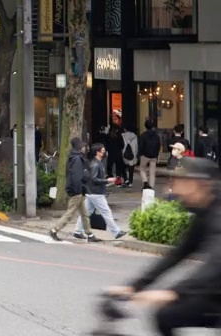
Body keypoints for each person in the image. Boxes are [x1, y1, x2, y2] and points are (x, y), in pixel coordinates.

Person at [107, 157, 221, 335]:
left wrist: (175, 292)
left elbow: (216, 263)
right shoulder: (204, 211)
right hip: (214, 292)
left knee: (168, 314)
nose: (175, 189)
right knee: (165, 315)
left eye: (182, 183)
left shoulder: (217, 214)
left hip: (215, 292)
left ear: (202, 184)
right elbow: (178, 254)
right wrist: (134, 286)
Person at [72, 143, 125, 240]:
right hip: (96, 193)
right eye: (103, 151)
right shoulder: (96, 164)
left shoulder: (96, 163)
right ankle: (116, 232)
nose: (104, 153)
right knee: (106, 212)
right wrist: (108, 180)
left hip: (91, 192)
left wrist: (109, 180)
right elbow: (94, 179)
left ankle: (77, 231)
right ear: (98, 152)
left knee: (86, 212)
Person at [50, 137, 97, 242]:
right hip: (77, 191)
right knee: (70, 213)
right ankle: (54, 229)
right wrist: (78, 190)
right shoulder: (77, 159)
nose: (85, 148)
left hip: (78, 190)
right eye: (83, 146)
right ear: (79, 147)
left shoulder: (74, 157)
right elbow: (77, 177)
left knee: (84, 214)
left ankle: (89, 234)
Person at [140, 120, 163, 191]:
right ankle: (151, 186)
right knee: (152, 171)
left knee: (142, 169)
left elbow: (141, 145)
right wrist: (157, 153)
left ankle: (145, 181)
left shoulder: (143, 135)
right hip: (154, 156)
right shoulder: (156, 135)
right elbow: (159, 145)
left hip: (145, 155)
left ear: (145, 126)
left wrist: (140, 154)